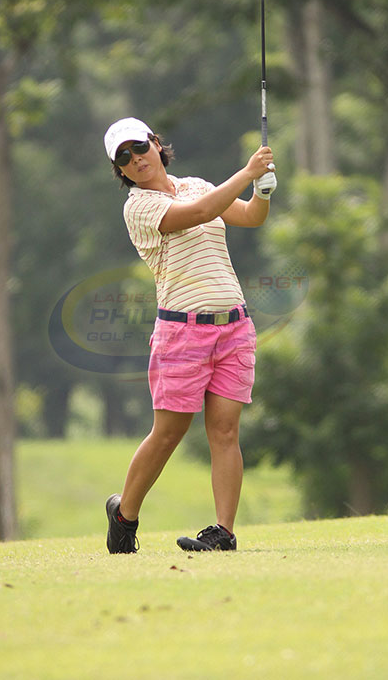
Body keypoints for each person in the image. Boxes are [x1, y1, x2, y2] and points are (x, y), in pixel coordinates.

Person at [103, 116, 277, 553]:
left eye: (139, 147)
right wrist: (247, 172)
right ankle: (124, 516)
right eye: (123, 157)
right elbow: (198, 215)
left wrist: (263, 189)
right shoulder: (138, 208)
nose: (135, 159)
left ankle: (224, 532)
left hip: (234, 327)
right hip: (182, 332)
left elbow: (251, 216)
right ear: (120, 170)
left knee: (225, 431)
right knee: (168, 432)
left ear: (156, 144)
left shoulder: (198, 185)